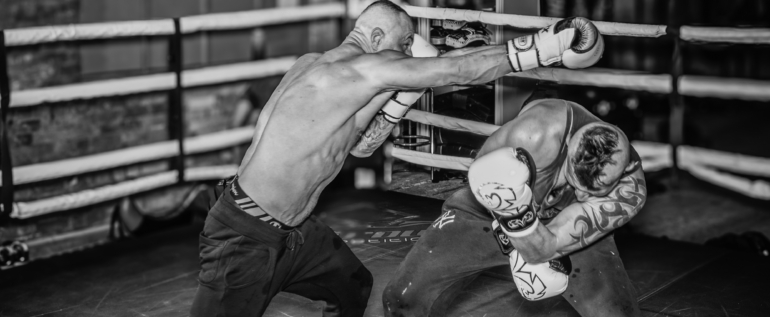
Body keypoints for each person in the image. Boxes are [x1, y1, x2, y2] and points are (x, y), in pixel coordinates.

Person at [190, 0, 603, 315]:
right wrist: (546, 46)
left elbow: (359, 144)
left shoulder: (319, 68)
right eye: (403, 45)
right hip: (245, 237)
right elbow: (456, 72)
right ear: (374, 39)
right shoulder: (360, 72)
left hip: (296, 233)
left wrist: (398, 100)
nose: (406, 56)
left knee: (352, 285)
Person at [382, 95, 647, 316]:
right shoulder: (534, 133)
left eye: (591, 190)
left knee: (615, 312)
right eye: (574, 178)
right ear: (567, 145)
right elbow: (482, 176)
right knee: (402, 298)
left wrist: (527, 238)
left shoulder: (628, 194)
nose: (579, 190)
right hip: (487, 208)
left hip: (560, 215)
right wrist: (509, 213)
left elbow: (545, 247)